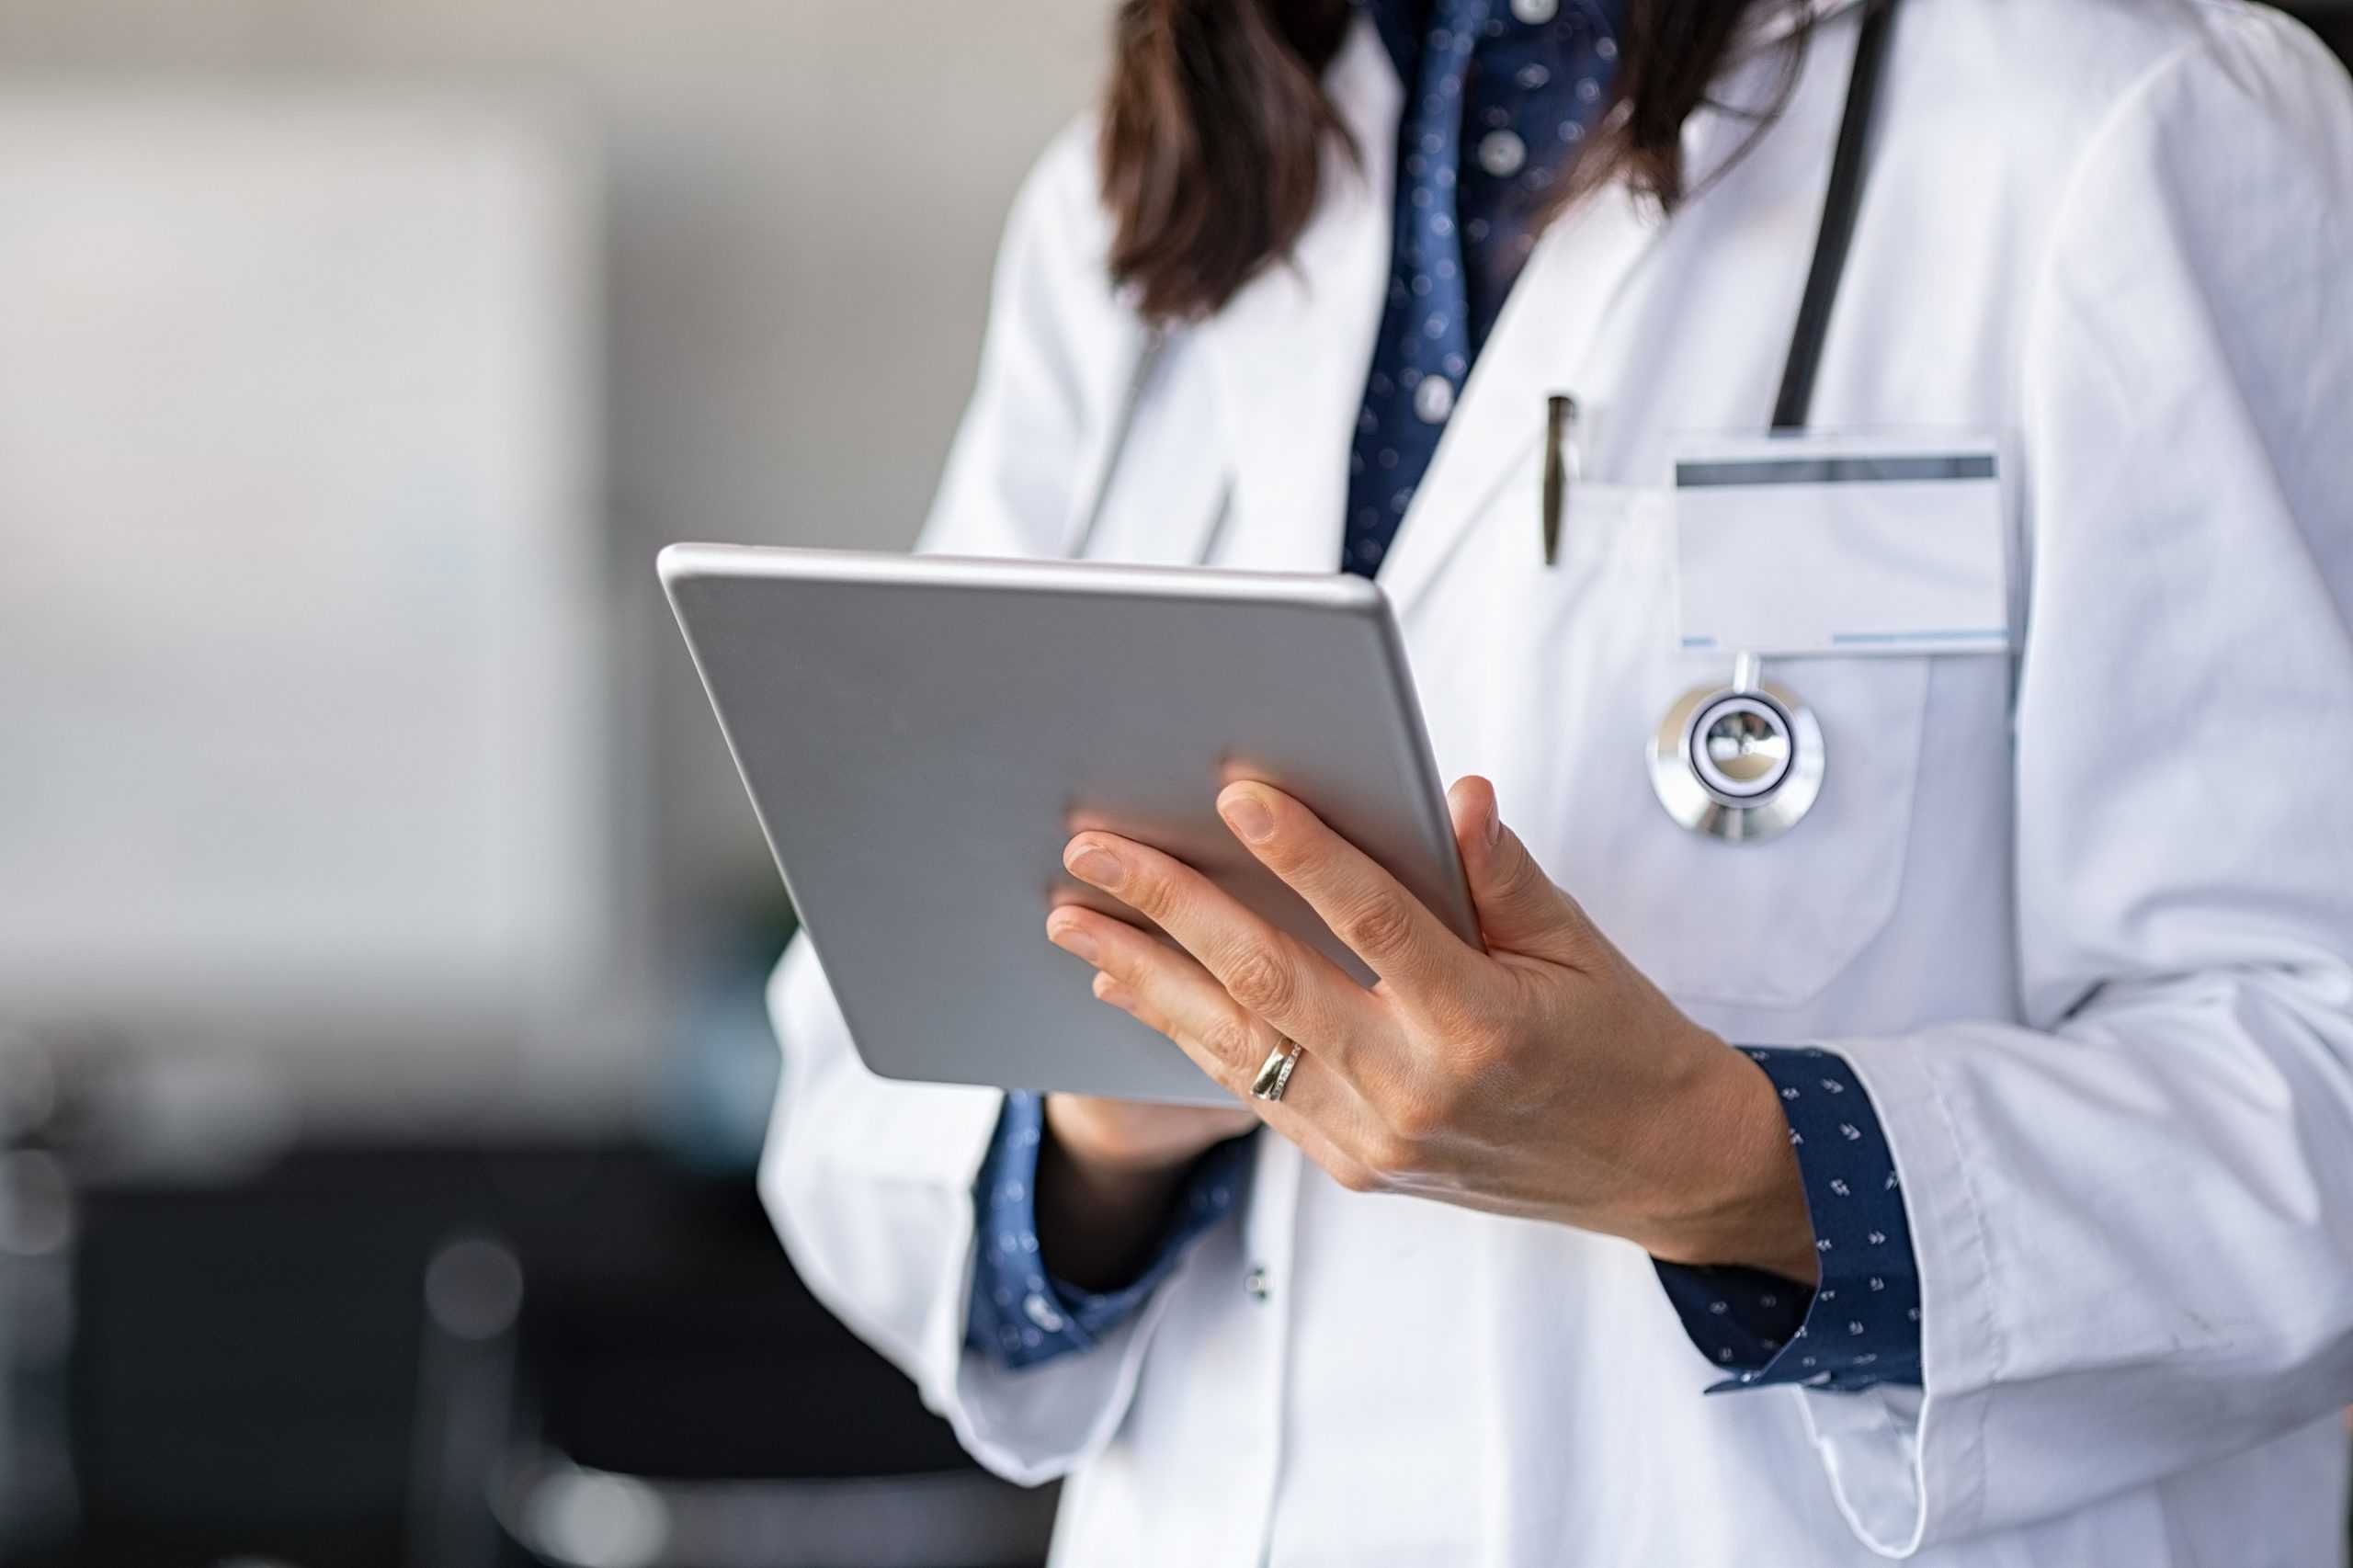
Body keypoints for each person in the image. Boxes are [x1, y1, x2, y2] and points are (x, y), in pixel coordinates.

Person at [759, 0, 2353, 1561]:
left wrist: (1730, 1158)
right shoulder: (1143, 193)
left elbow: (2317, 1080)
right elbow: (859, 1079)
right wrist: (1105, 1122)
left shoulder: (2138, 118)